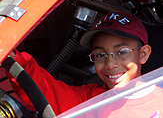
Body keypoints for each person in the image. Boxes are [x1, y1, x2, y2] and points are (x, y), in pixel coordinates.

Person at [5, 11, 162, 117]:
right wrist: (13, 58)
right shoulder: (92, 100)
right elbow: (46, 92)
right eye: (100, 55)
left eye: (121, 52)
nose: (110, 64)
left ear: (143, 54)